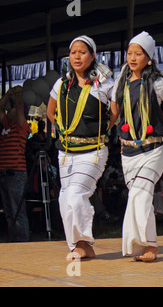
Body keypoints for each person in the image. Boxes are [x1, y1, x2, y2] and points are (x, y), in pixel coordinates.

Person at [47, 35, 117, 259]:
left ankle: (84, 242)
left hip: (94, 150)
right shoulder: (62, 84)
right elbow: (51, 111)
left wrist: (103, 128)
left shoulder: (105, 83)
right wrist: (63, 130)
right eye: (73, 52)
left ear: (93, 56)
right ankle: (78, 245)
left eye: (82, 52)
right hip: (66, 151)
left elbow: (115, 111)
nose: (77, 56)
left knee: (77, 195)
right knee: (65, 198)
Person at [110, 31, 163, 261]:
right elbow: (115, 112)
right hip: (128, 151)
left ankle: (147, 246)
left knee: (140, 192)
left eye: (138, 53)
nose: (133, 57)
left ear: (148, 57)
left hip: (154, 148)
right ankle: (147, 246)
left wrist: (160, 122)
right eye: (130, 53)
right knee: (140, 196)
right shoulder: (121, 81)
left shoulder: (158, 82)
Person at [0, 86, 30, 242]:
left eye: (10, 108)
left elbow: (19, 110)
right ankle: (14, 240)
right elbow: (0, 108)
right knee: (9, 212)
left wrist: (18, 95)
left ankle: (22, 241)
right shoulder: (6, 125)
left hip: (16, 174)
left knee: (18, 211)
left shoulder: (21, 127)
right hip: (4, 174)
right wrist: (8, 94)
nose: (8, 110)